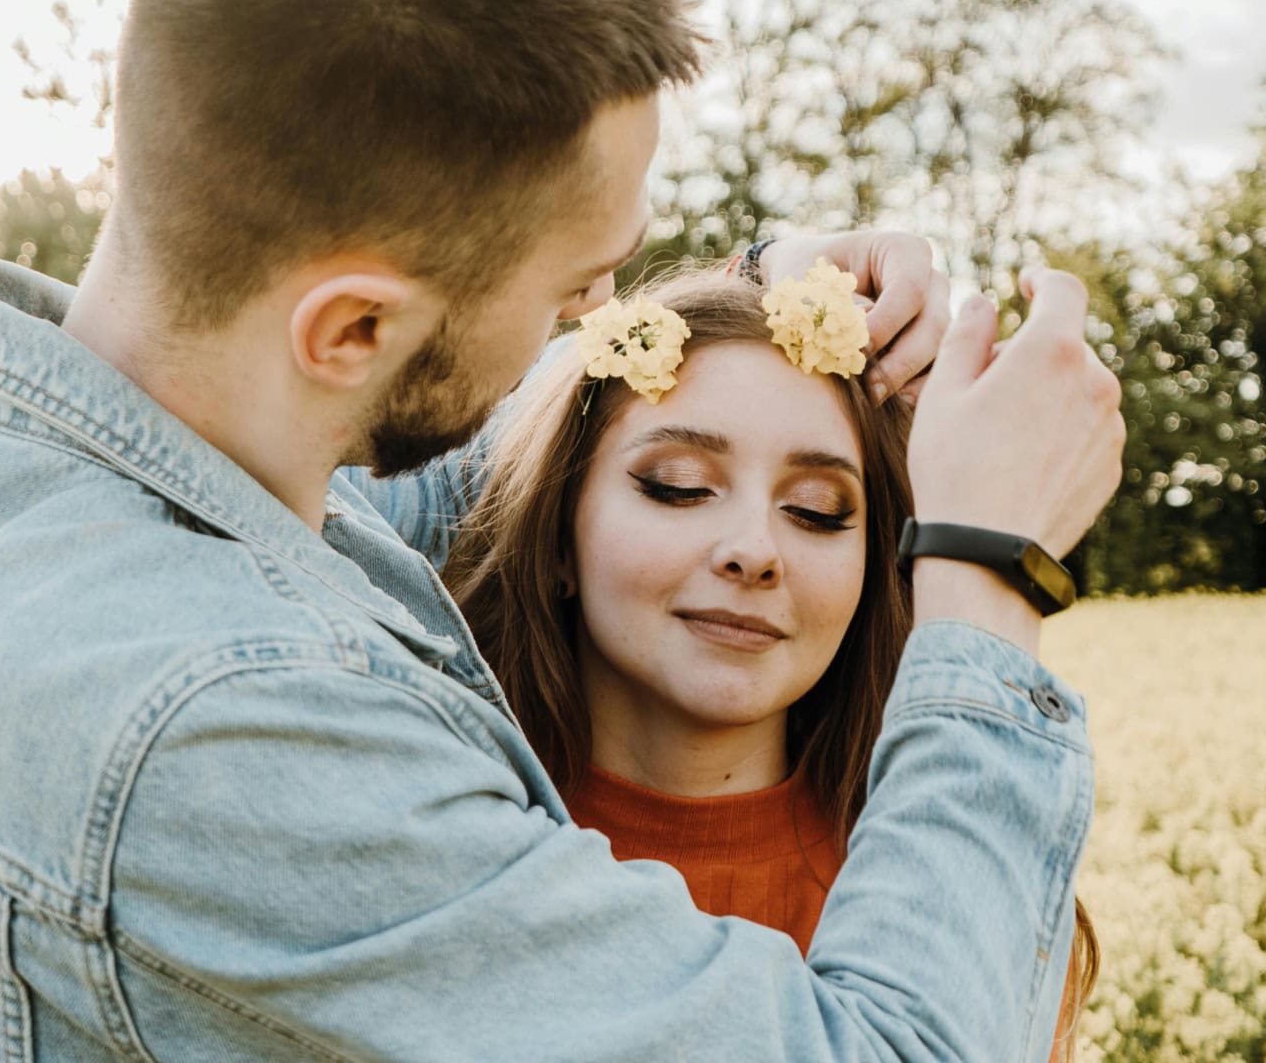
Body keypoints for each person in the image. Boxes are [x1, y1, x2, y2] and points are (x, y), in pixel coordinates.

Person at [0, 0, 1126, 1059]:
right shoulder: (227, 723)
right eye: (573, 284)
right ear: (354, 331)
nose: (594, 316)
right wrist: (984, 569)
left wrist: (750, 297)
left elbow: (480, 482)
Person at [441, 269, 1098, 1061]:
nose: (754, 551)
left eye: (818, 510)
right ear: (557, 539)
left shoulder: (959, 884)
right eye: (678, 488)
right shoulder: (430, 839)